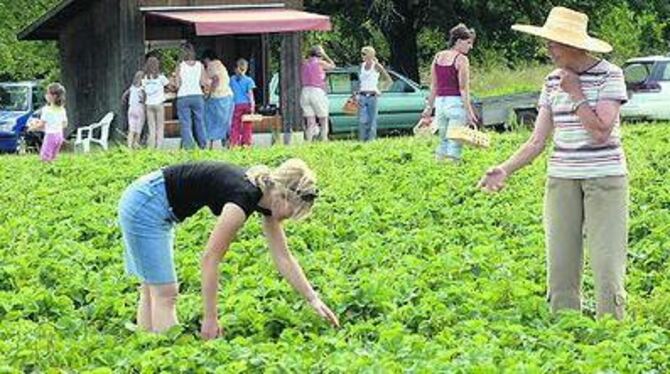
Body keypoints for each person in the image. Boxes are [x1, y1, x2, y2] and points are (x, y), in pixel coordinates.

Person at [478, 7, 630, 320]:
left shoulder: (610, 75)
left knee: (606, 263)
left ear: (574, 44)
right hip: (562, 178)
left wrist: (576, 94)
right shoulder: (550, 82)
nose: (548, 49)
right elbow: (537, 141)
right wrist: (505, 168)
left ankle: (612, 330)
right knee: (560, 261)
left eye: (553, 43)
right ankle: (566, 330)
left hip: (605, 178)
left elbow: (601, 130)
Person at [118, 159, 339, 339]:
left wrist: (313, 299)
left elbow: (283, 258)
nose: (292, 216)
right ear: (282, 194)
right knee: (165, 293)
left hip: (150, 199)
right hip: (146, 203)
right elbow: (210, 259)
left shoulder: (265, 199)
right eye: (295, 209)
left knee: (152, 289)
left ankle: (147, 345)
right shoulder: (242, 199)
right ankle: (166, 357)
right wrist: (210, 319)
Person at [423, 24, 478, 162]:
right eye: (468, 43)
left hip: (440, 103)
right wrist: (470, 113)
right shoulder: (461, 59)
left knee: (442, 140)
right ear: (459, 41)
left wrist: (429, 108)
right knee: (455, 141)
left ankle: (440, 169)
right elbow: (463, 89)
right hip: (455, 103)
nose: (470, 47)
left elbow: (434, 85)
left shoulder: (438, 57)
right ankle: (452, 172)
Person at [175, 43, 209, 149]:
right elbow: (203, 82)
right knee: (199, 120)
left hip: (183, 96)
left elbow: (177, 84)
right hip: (197, 96)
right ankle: (203, 144)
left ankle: (189, 146)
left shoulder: (179, 66)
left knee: (185, 122)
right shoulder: (200, 65)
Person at [300, 45, 335, 142]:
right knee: (323, 119)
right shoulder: (320, 63)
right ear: (320, 54)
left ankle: (308, 141)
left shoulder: (304, 63)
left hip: (305, 91)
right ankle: (324, 139)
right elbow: (332, 66)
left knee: (310, 121)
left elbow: (303, 56)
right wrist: (326, 55)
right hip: (317, 91)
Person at [356, 46, 392, 142]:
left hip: (373, 95)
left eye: (364, 54)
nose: (362, 56)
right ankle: (361, 140)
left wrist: (380, 89)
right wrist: (356, 92)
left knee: (372, 120)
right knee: (362, 120)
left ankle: (370, 141)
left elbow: (388, 80)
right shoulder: (361, 66)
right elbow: (360, 81)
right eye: (361, 54)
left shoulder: (376, 66)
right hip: (362, 95)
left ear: (370, 54)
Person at [202, 50, 234, 150]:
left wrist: (209, 93)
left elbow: (216, 79)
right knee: (226, 121)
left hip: (218, 97)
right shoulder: (221, 65)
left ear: (207, 59)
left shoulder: (212, 65)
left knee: (212, 122)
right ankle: (228, 143)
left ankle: (212, 145)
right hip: (228, 96)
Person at [28, 83, 67, 162]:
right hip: (59, 136)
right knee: (53, 157)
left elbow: (41, 124)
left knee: (44, 158)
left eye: (47, 93)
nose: (46, 95)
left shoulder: (46, 110)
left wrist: (31, 128)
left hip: (50, 136)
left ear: (54, 96)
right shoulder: (62, 109)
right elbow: (64, 124)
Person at [142, 57, 170, 149]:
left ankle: (151, 146)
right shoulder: (161, 77)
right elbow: (168, 86)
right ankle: (159, 147)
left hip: (149, 104)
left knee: (151, 127)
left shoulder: (145, 78)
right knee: (160, 127)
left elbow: (143, 92)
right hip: (159, 103)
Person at [229, 58, 256, 147]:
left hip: (236, 104)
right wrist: (253, 105)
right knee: (247, 125)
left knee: (235, 124)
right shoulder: (249, 80)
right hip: (247, 105)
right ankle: (246, 143)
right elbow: (250, 94)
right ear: (246, 68)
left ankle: (234, 143)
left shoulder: (232, 79)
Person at [122, 71, 146, 149]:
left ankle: (129, 146)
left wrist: (124, 100)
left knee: (131, 129)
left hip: (131, 109)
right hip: (139, 109)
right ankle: (136, 143)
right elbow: (143, 98)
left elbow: (124, 95)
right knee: (139, 129)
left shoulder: (132, 87)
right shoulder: (142, 88)